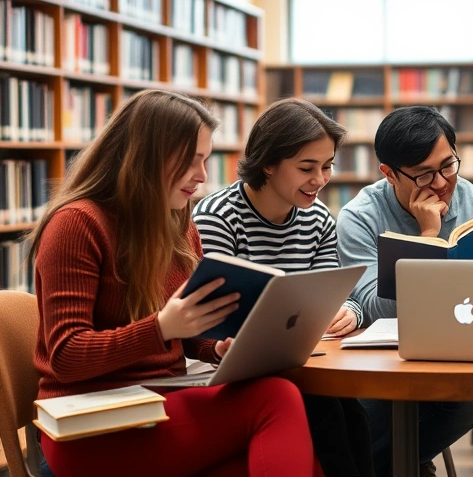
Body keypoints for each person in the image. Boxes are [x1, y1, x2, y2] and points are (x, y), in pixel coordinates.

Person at [31, 90, 313, 477]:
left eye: (206, 160)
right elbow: (64, 356)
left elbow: (182, 338)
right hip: (90, 421)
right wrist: (162, 327)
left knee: (282, 454)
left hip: (159, 402)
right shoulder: (78, 224)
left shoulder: (178, 224)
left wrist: (215, 346)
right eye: (191, 160)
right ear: (147, 157)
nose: (202, 177)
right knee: (276, 400)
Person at [192, 98, 374, 477]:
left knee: (353, 413)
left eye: (327, 166)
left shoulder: (318, 219)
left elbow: (332, 291)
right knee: (329, 412)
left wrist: (349, 311)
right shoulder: (217, 218)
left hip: (298, 360)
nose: (320, 180)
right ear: (268, 163)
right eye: (307, 167)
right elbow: (213, 318)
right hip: (227, 366)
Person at [337, 106, 473, 476]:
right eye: (422, 175)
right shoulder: (359, 217)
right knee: (368, 418)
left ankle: (405, 464)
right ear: (388, 173)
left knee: (471, 398)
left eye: (448, 165)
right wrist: (427, 238)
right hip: (385, 360)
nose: (440, 183)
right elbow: (372, 307)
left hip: (464, 349)